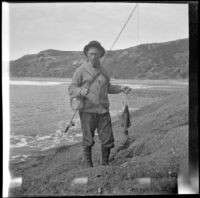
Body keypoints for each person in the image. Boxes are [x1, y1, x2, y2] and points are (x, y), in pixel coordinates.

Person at [68, 40, 132, 167]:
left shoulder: (104, 71)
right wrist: (80, 91)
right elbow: (71, 88)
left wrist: (121, 88)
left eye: (96, 54)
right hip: (87, 111)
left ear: (100, 55)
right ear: (87, 54)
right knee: (88, 139)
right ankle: (88, 165)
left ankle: (105, 164)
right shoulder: (80, 71)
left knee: (107, 139)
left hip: (103, 111)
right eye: (91, 54)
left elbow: (108, 88)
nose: (93, 56)